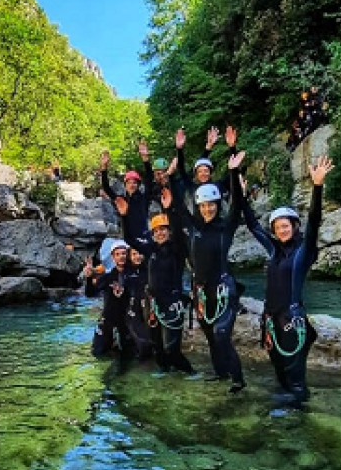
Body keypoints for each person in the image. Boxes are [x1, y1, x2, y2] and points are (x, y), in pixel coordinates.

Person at [242, 155, 333, 408]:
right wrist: (241, 197)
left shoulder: (304, 250)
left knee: (295, 375)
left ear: (294, 226)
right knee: (279, 370)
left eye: (286, 226)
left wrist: (317, 186)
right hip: (271, 319)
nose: (282, 230)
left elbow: (314, 222)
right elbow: (252, 225)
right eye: (278, 227)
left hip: (292, 320)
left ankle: (300, 414)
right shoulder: (273, 251)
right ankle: (286, 415)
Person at [167, 150, 247, 393]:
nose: (208, 209)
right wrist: (171, 176)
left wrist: (233, 173)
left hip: (224, 288)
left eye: (212, 205)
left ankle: (238, 380)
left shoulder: (226, 227)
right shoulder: (191, 226)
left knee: (222, 334)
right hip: (201, 291)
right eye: (204, 205)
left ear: (217, 205)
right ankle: (220, 373)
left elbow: (237, 207)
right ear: (199, 206)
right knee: (211, 336)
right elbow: (178, 204)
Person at [118, 200, 193, 373]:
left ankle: (190, 373)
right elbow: (128, 239)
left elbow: (180, 235)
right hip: (153, 303)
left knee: (171, 348)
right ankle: (164, 373)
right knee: (157, 345)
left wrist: (167, 209)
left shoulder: (178, 250)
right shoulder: (150, 249)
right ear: (152, 233)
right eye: (156, 230)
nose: (160, 233)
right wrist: (124, 217)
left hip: (173, 302)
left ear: (169, 231)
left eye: (163, 229)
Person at [83, 238, 132, 367]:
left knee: (129, 357)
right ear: (113, 257)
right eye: (118, 254)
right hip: (108, 319)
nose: (121, 257)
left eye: (123, 253)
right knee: (98, 353)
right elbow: (90, 293)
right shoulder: (107, 277)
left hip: (126, 321)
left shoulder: (133, 276)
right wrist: (88, 279)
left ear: (127, 255)